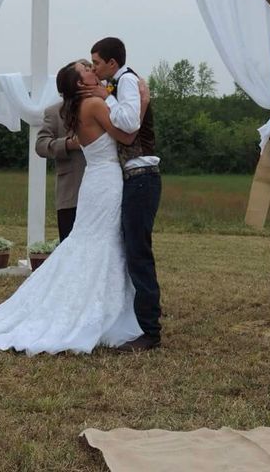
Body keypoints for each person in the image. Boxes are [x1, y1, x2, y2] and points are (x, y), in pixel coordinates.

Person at [0, 61, 149, 355]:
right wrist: (140, 102)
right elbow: (128, 135)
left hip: (96, 181)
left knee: (91, 243)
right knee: (100, 244)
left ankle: (95, 305)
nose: (90, 68)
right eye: (85, 68)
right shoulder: (95, 103)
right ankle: (93, 310)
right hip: (106, 181)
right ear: (79, 83)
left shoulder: (77, 107)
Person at [84, 37, 162, 352]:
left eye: (97, 63)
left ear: (113, 64)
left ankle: (150, 330)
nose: (94, 68)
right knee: (132, 251)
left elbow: (129, 124)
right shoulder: (120, 84)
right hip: (134, 178)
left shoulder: (127, 81)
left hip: (142, 176)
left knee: (138, 253)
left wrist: (107, 97)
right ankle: (138, 320)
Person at [35, 60, 90, 241]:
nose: (90, 72)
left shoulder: (102, 107)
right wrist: (68, 144)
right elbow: (41, 145)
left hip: (99, 189)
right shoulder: (54, 112)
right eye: (84, 71)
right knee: (70, 245)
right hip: (71, 193)